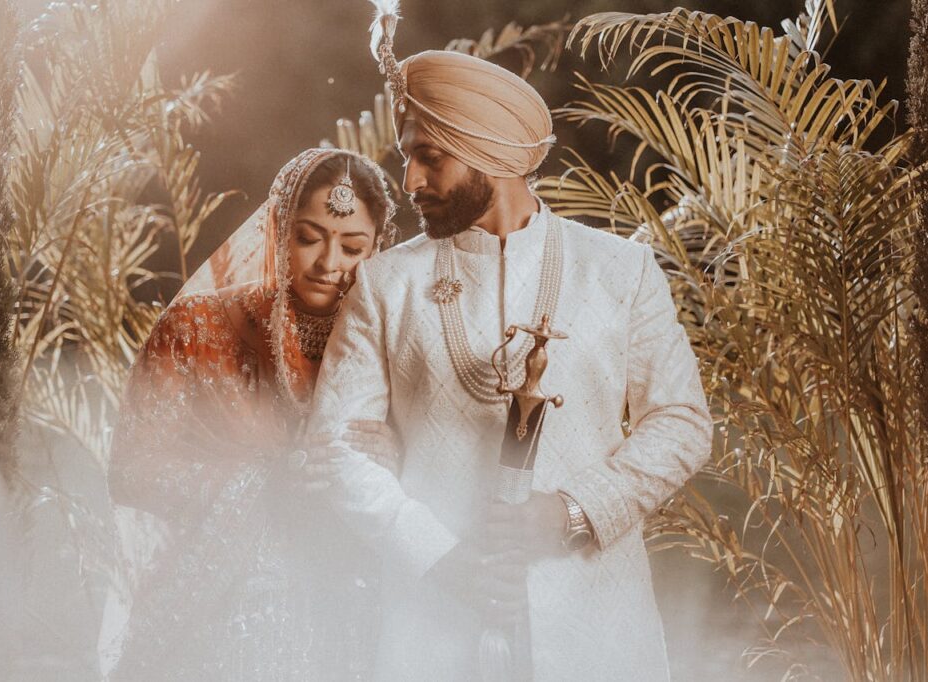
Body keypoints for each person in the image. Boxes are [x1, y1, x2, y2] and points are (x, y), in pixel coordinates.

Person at [305, 5, 713, 680]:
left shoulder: (618, 271)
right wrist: (441, 556)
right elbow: (337, 449)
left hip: (594, 623)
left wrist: (572, 510)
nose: (409, 183)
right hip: (432, 623)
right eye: (407, 158)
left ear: (492, 154)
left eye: (428, 158)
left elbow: (681, 424)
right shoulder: (384, 285)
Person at [106, 148, 399, 680]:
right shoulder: (198, 326)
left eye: (353, 247)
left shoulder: (387, 347)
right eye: (309, 238)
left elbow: (439, 472)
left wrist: (393, 458)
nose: (329, 264)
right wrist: (262, 478)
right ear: (276, 229)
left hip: (346, 610)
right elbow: (130, 470)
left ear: (379, 249)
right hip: (214, 614)